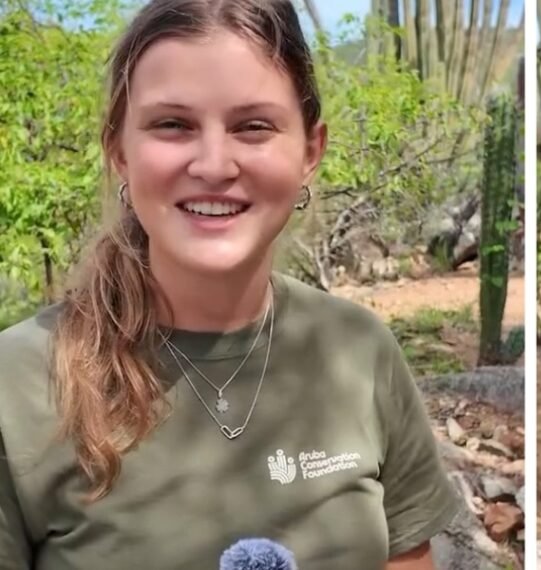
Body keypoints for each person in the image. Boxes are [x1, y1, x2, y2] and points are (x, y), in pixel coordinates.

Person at [0, 1, 460, 568]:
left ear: (310, 152)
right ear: (120, 152)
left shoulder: (361, 352)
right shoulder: (15, 387)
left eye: (253, 127)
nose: (214, 164)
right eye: (173, 125)